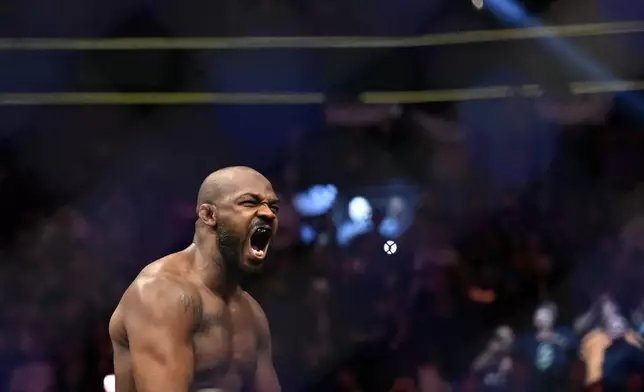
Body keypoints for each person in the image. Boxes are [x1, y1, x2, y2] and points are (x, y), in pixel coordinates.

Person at [109, 166, 282, 392]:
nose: (268, 213)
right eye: (249, 203)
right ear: (209, 215)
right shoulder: (161, 292)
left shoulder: (252, 312)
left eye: (273, 206)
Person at [577, 295, 644, 392]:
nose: (611, 315)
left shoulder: (630, 336)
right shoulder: (594, 339)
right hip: (605, 382)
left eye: (613, 310)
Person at [516, 302, 577, 392]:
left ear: (553, 318)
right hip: (535, 384)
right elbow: (521, 360)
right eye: (538, 315)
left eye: (546, 315)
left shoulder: (564, 332)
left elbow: (572, 350)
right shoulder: (527, 339)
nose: (541, 318)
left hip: (559, 383)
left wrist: (554, 338)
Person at [471, 326, 515, 392]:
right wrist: (490, 353)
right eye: (497, 339)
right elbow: (474, 368)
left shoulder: (509, 361)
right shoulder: (487, 356)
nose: (500, 343)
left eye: (503, 339)